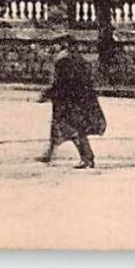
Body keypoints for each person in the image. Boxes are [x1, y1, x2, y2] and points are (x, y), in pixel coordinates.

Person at [37, 37, 106, 169]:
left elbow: (62, 82)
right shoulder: (76, 58)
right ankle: (49, 154)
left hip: (69, 100)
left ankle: (87, 158)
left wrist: (48, 93)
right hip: (75, 98)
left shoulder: (64, 60)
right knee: (61, 127)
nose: (53, 46)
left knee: (73, 129)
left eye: (56, 44)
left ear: (63, 45)